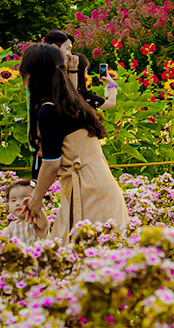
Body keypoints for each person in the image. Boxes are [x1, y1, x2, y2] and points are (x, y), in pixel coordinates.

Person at [16, 42, 127, 239]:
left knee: (74, 260)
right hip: (97, 185)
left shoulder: (48, 110)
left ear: (32, 76)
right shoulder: (71, 100)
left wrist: (35, 199)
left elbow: (51, 165)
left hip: (88, 191)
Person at [31, 30, 118, 176]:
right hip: (58, 150)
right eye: (68, 49)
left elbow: (69, 98)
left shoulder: (63, 80)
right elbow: (109, 104)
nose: (70, 54)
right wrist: (112, 85)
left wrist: (72, 71)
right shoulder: (51, 79)